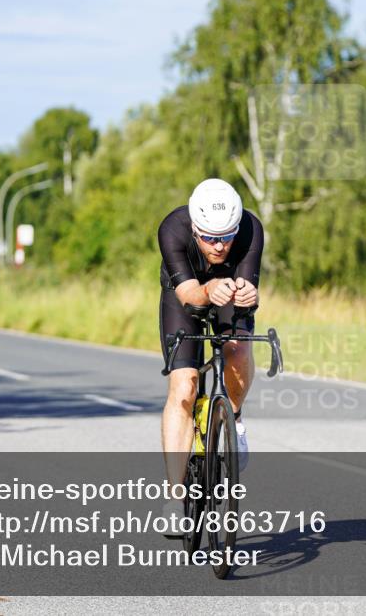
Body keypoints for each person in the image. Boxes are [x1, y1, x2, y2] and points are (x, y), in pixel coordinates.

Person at [157, 178, 264, 530]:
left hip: (229, 290)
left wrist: (248, 294)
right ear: (194, 228)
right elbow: (189, 294)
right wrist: (209, 289)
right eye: (209, 238)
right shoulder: (173, 229)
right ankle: (175, 499)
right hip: (186, 292)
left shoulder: (250, 228)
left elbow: (248, 285)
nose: (219, 247)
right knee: (184, 385)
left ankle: (234, 419)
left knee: (238, 348)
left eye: (227, 237)